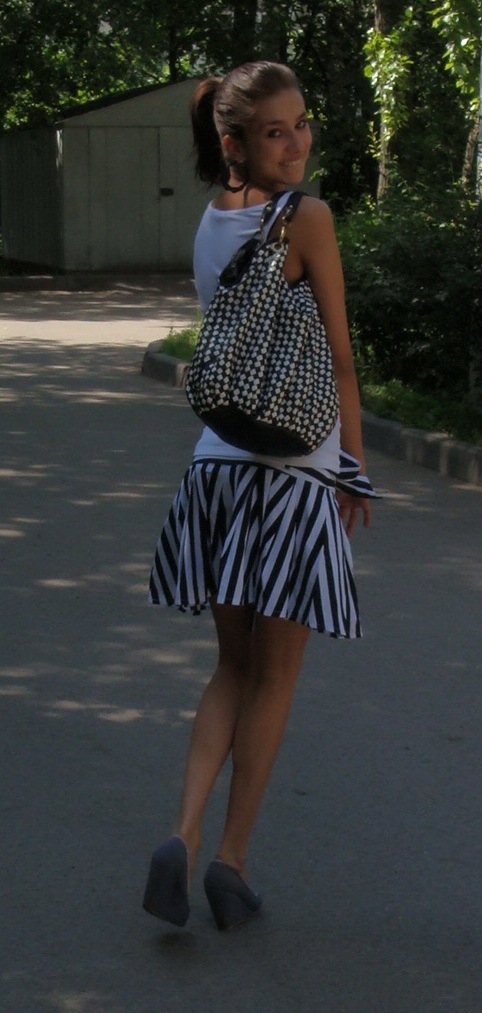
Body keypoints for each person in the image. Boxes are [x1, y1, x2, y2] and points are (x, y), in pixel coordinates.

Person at [142, 61, 378, 932]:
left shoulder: (212, 221)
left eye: (302, 123)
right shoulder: (307, 217)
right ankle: (231, 863)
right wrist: (353, 466)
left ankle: (182, 832)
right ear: (234, 142)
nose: (297, 142)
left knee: (229, 668)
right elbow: (341, 357)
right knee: (275, 677)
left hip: (215, 471)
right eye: (276, 131)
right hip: (292, 475)